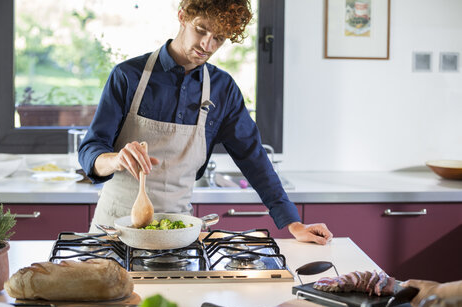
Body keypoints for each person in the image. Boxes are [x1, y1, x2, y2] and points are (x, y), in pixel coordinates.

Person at [79, 0, 333, 244]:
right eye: (201, 30)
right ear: (182, 16)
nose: (206, 45)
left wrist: (294, 224)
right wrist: (116, 159)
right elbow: (90, 150)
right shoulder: (128, 76)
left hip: (177, 234)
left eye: (219, 38)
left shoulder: (223, 91)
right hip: (113, 230)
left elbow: (254, 159)